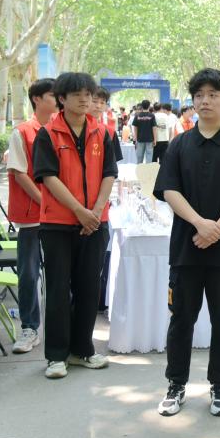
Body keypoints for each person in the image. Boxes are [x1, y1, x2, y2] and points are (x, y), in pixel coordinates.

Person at [154, 68, 220, 417]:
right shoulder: (179, 144)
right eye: (199, 95)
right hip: (186, 248)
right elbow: (169, 189)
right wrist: (200, 224)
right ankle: (176, 384)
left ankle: (219, 384)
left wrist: (217, 228)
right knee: (181, 319)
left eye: (213, 95)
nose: (205, 101)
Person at [32, 72, 117, 379]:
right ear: (62, 99)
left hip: (95, 223)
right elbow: (48, 177)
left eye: (88, 94)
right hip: (58, 223)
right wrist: (80, 211)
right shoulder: (48, 134)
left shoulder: (101, 132)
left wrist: (95, 211)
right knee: (57, 289)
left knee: (88, 288)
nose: (85, 99)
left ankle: (82, 350)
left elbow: (109, 173)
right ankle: (56, 356)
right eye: (77, 94)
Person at [92, 87, 123, 312]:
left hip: (100, 207)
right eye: (94, 100)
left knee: (98, 258)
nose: (97, 105)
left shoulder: (108, 133)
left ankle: (98, 301)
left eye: (101, 102)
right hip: (73, 211)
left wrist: (101, 204)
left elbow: (112, 171)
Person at [131, 99, 158, 163]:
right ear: (149, 106)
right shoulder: (152, 115)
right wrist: (155, 139)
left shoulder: (137, 115)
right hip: (150, 139)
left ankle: (139, 169)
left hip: (140, 139)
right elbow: (154, 128)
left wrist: (135, 138)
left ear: (142, 106)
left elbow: (135, 127)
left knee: (139, 157)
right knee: (149, 157)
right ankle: (148, 169)